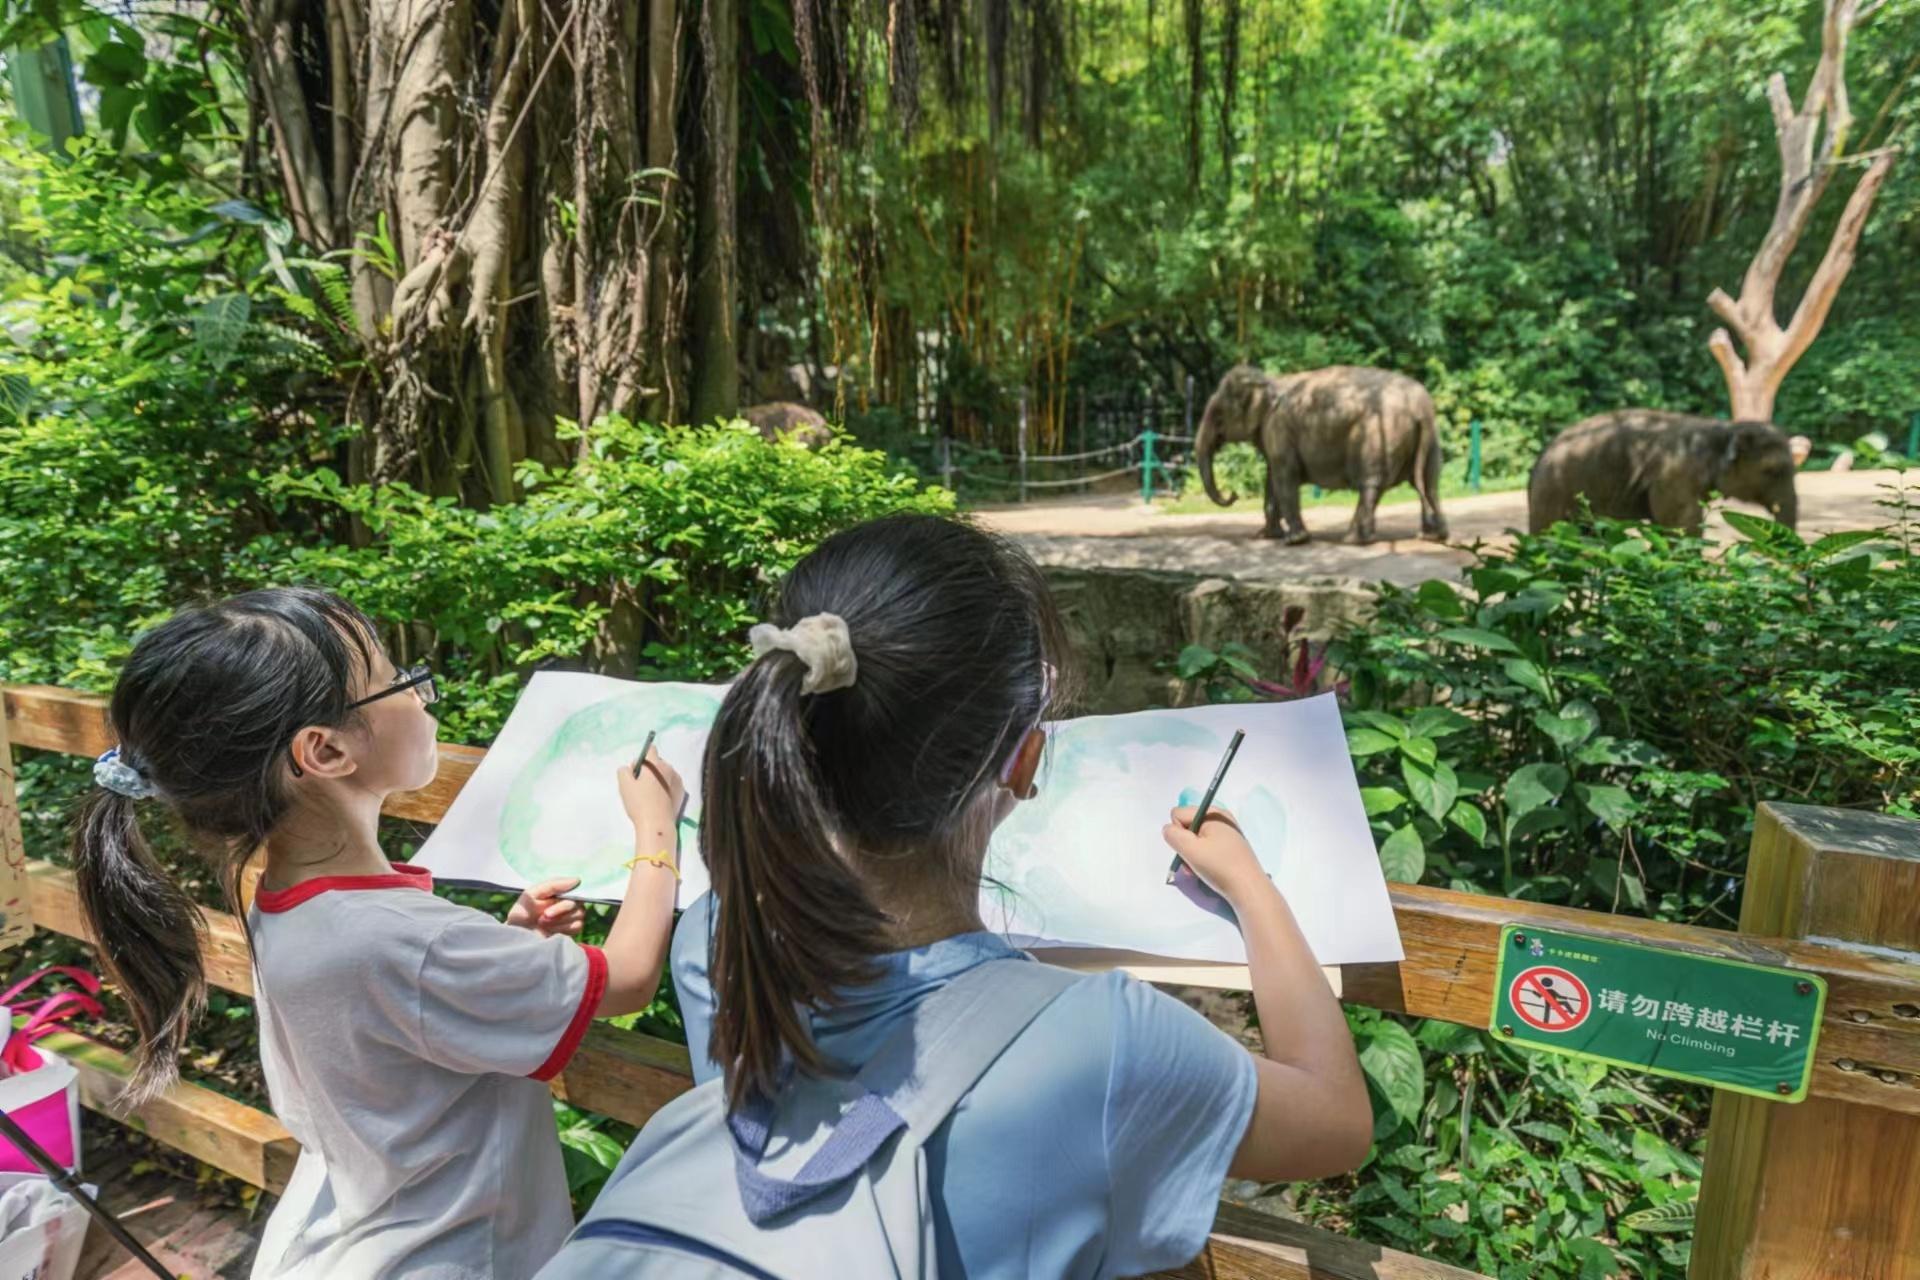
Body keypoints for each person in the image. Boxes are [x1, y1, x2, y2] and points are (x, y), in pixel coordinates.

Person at [669, 513, 1372, 1277]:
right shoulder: (1103, 1045)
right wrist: (1253, 888)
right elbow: (1335, 1120)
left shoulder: (718, 936)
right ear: (1026, 761)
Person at [71, 587, 685, 1280]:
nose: (421, 695)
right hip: (450, 1256)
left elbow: (399, 1016)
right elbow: (628, 979)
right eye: (398, 681)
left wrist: (510, 942)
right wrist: (654, 828)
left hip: (346, 1242)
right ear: (325, 751)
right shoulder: (400, 940)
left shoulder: (290, 901)